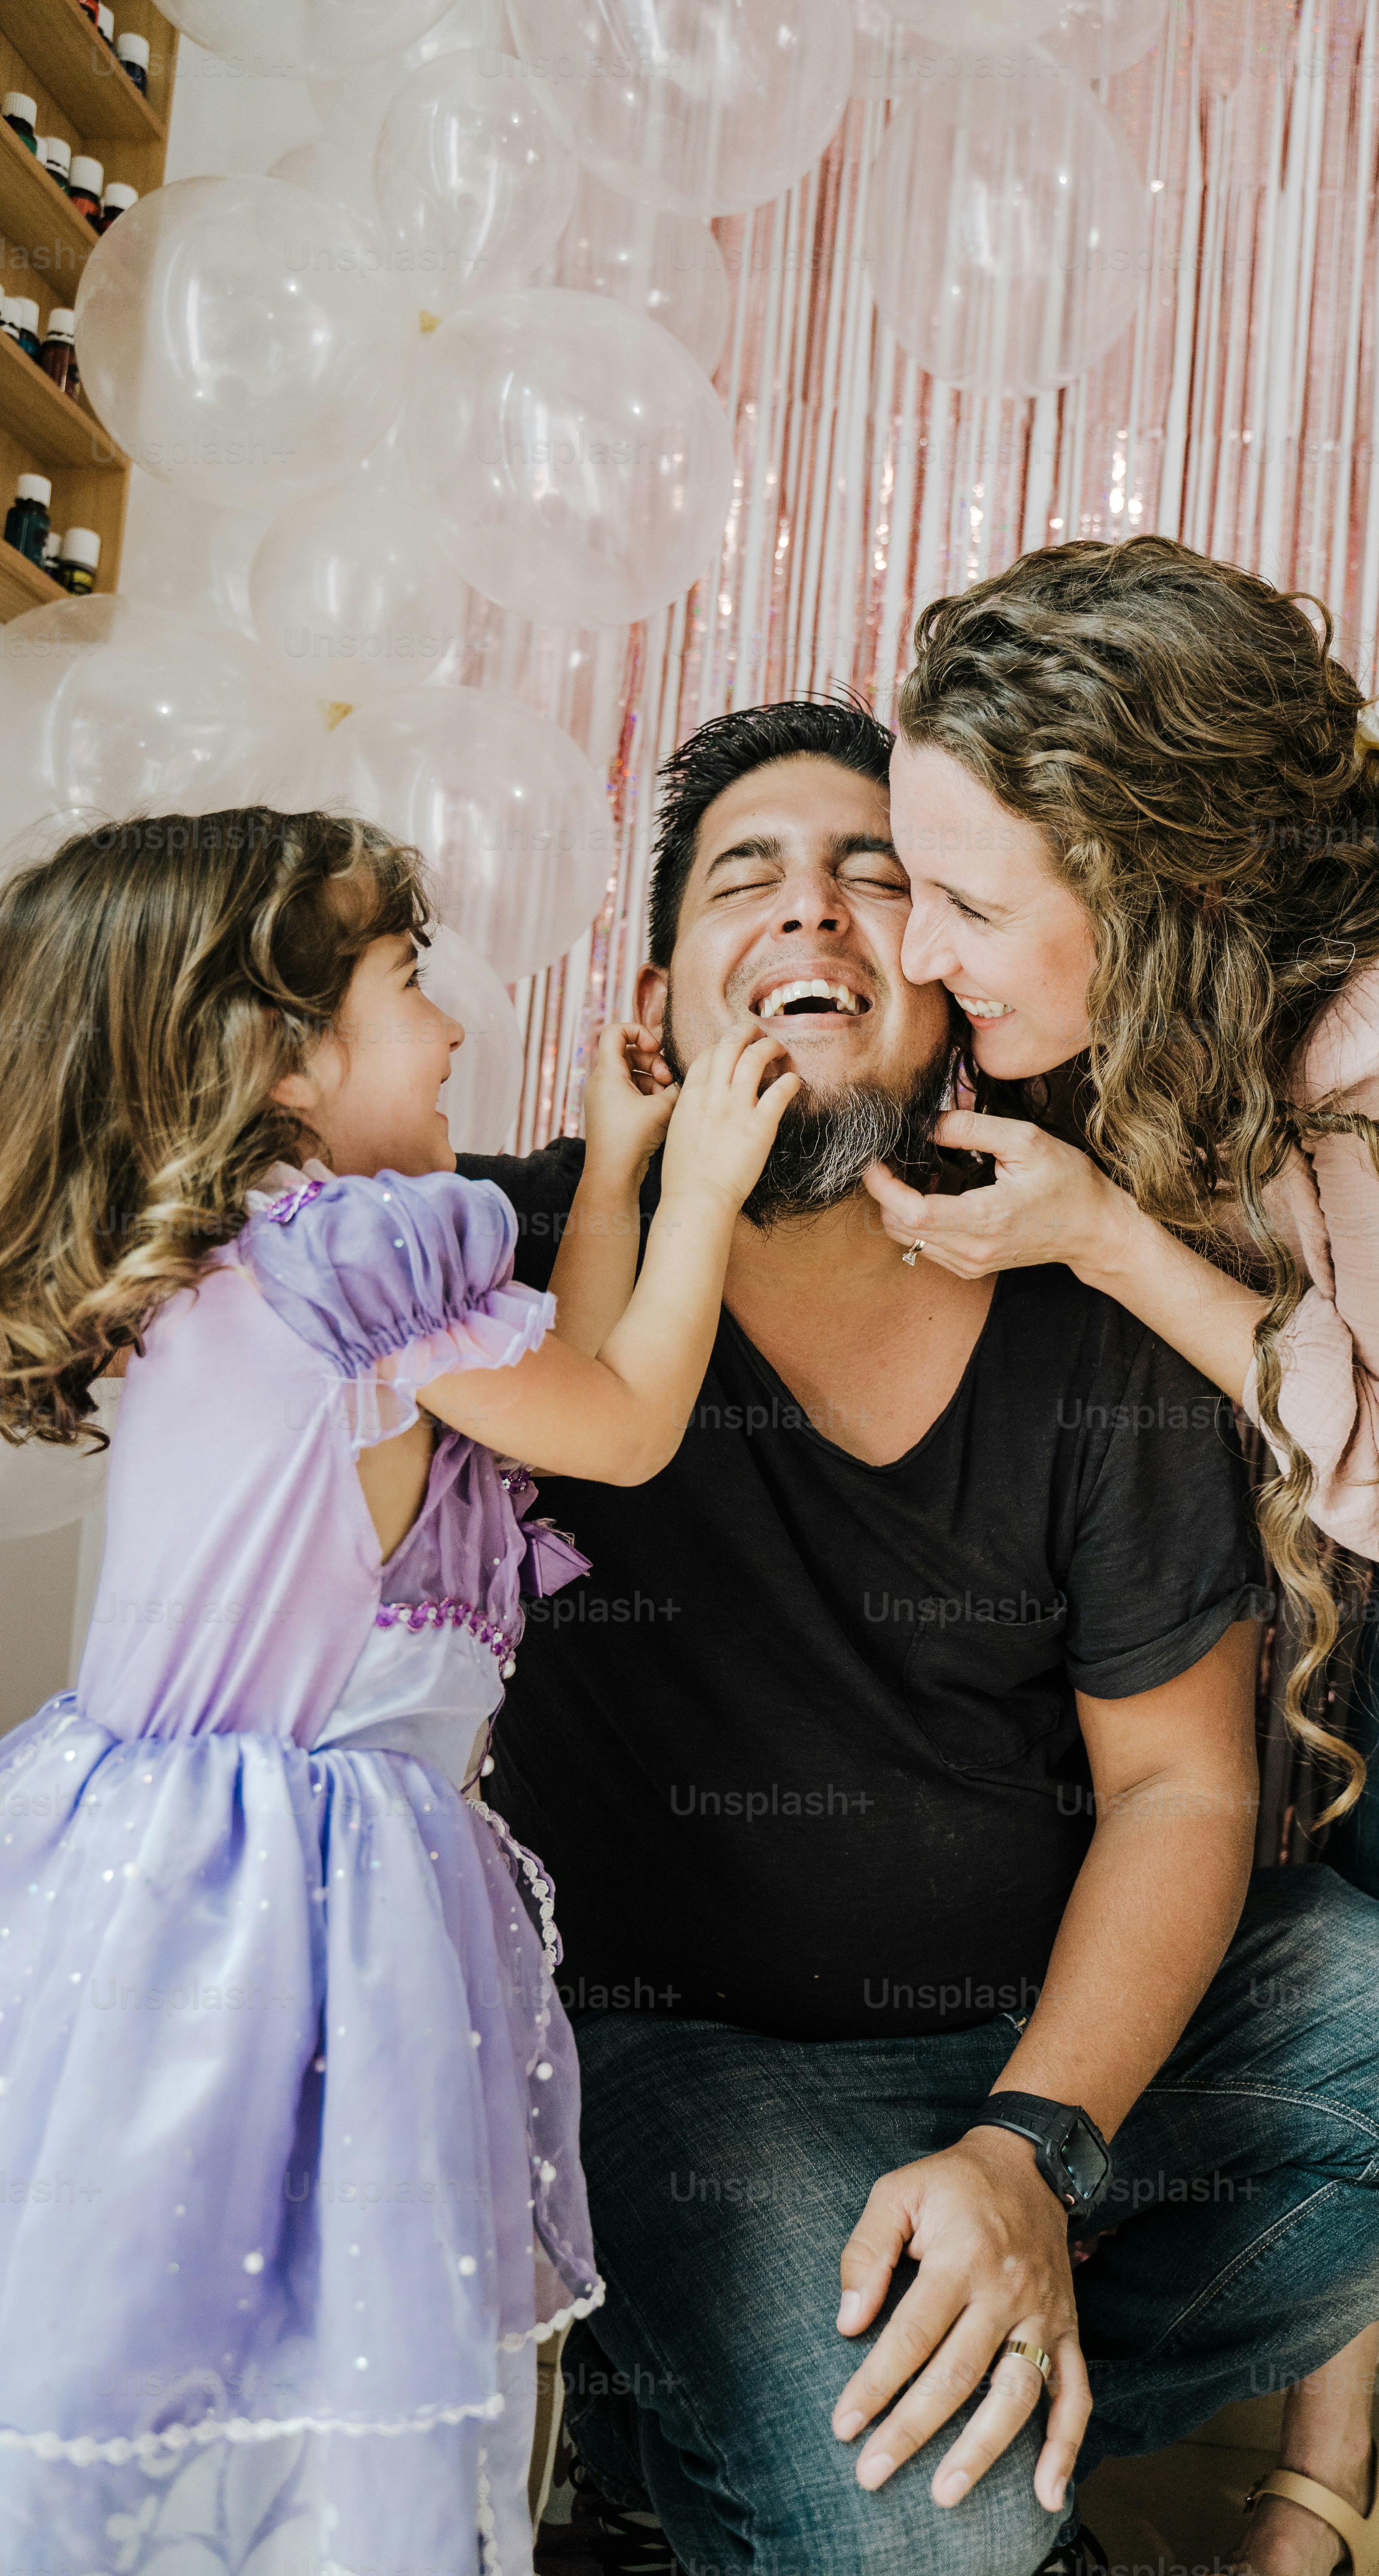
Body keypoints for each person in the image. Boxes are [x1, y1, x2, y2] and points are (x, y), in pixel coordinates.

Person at [461, 700, 1379, 2576]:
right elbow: (206, 1258)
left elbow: (1175, 1790)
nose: (812, 912)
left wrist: (1027, 2152)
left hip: (1043, 2024)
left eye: (875, 880)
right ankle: (796, 2441)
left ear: (956, 997)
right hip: (692, 2062)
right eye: (749, 880)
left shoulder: (1081, 1300)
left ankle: (952, 2393)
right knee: (930, 2536)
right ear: (657, 1009)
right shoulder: (499, 1267)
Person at [858, 536, 1379, 2576]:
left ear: (1154, 883)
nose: (921, 949)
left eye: (968, 903)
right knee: (1234, 1794)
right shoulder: (1214, 946)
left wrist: (1101, 1237)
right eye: (912, 881)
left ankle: (1334, 2443)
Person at [0, 808, 799, 2574]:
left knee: (174, 2308)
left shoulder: (261, 1261)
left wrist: (613, 1173)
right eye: (409, 982)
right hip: (294, 1892)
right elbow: (625, 1424)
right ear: (278, 1059)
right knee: (337, 2324)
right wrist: (705, 1197)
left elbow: (558, 1384)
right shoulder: (351, 1255)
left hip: (163, 1874)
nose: (450, 1027)